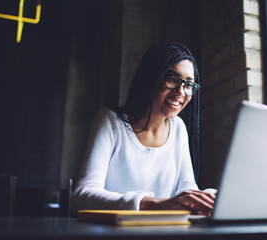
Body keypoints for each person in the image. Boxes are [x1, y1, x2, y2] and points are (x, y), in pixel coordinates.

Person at [72, 42, 216, 216]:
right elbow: (83, 195)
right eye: (172, 79)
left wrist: (204, 199)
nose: (180, 92)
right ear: (151, 78)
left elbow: (186, 189)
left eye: (188, 85)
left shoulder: (178, 127)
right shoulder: (110, 121)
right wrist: (157, 204)